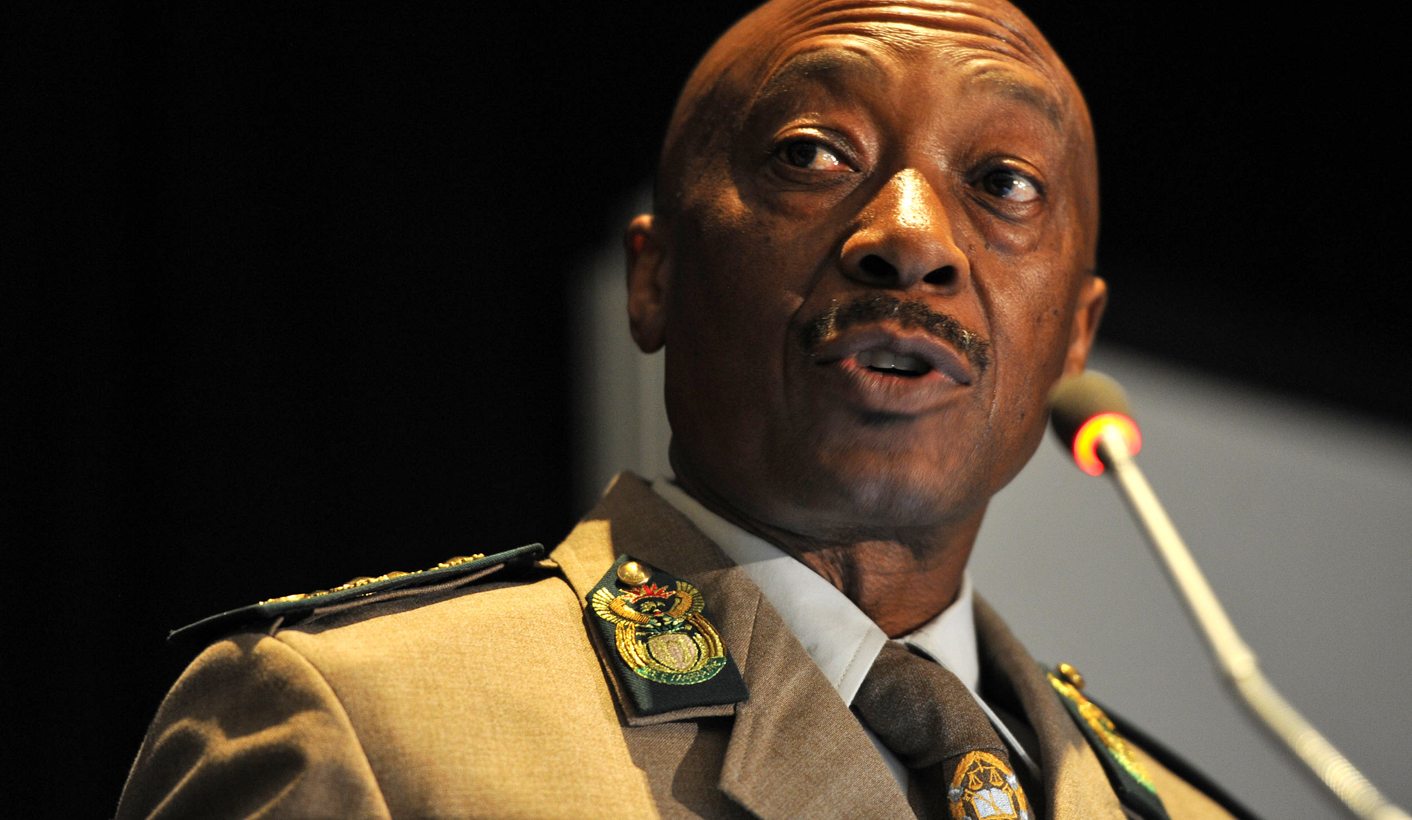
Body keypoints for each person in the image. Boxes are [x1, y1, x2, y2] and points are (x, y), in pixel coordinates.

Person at [118, 0, 1249, 816]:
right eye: (813, 155)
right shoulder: (365, 725)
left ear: (1074, 338)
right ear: (653, 278)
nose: (910, 237)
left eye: (1002, 183)